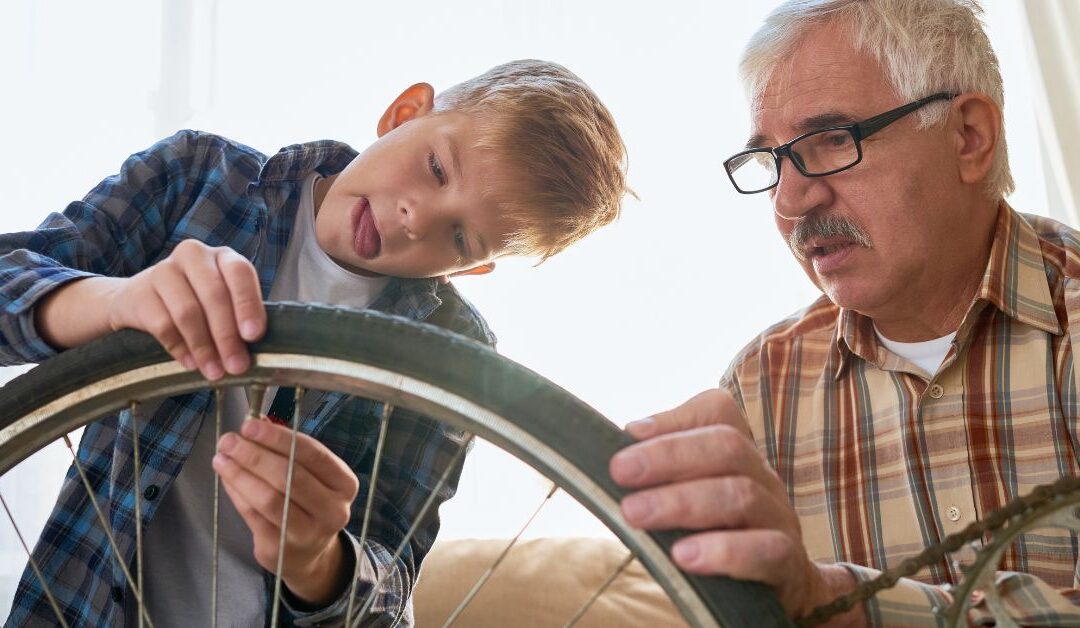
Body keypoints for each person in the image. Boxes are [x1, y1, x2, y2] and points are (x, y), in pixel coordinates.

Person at [0, 59, 628, 627]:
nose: (417, 217)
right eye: (437, 169)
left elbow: (390, 577)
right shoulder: (197, 180)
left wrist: (319, 561)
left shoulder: (454, 354)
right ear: (403, 112)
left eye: (460, 238)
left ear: (471, 269)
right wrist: (111, 302)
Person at [610, 1, 1080, 625]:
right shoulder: (758, 389)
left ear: (969, 137)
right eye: (771, 161)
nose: (790, 199)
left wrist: (835, 605)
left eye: (833, 140)